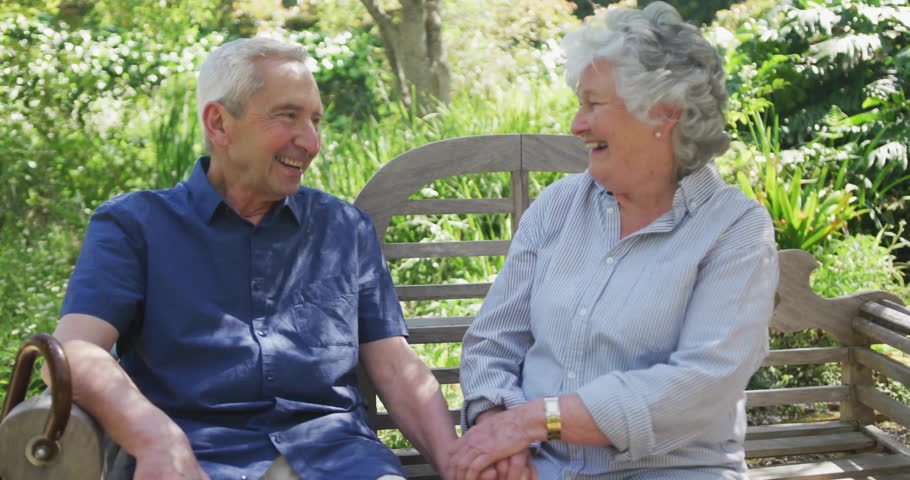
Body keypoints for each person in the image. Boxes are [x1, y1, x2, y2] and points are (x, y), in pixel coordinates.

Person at [45, 36, 456, 480]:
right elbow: (73, 350)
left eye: (316, 120)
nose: (311, 141)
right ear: (219, 123)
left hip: (340, 461)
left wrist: (456, 462)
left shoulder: (344, 229)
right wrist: (155, 438)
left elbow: (394, 365)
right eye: (288, 116)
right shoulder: (134, 226)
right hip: (196, 461)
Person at [447, 2, 779, 479]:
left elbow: (702, 383)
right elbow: (494, 341)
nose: (576, 125)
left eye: (593, 104)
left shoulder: (734, 228)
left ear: (662, 113)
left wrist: (535, 421)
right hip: (538, 469)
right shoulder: (559, 205)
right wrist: (500, 429)